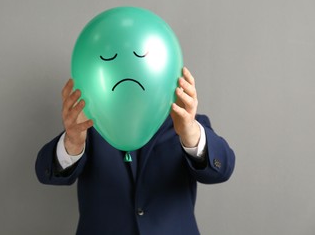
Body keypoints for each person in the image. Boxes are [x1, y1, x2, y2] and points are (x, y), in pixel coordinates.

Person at [35, 67, 235, 235]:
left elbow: (222, 170)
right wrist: (72, 142)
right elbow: (47, 173)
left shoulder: (188, 122)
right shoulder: (90, 123)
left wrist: (190, 132)